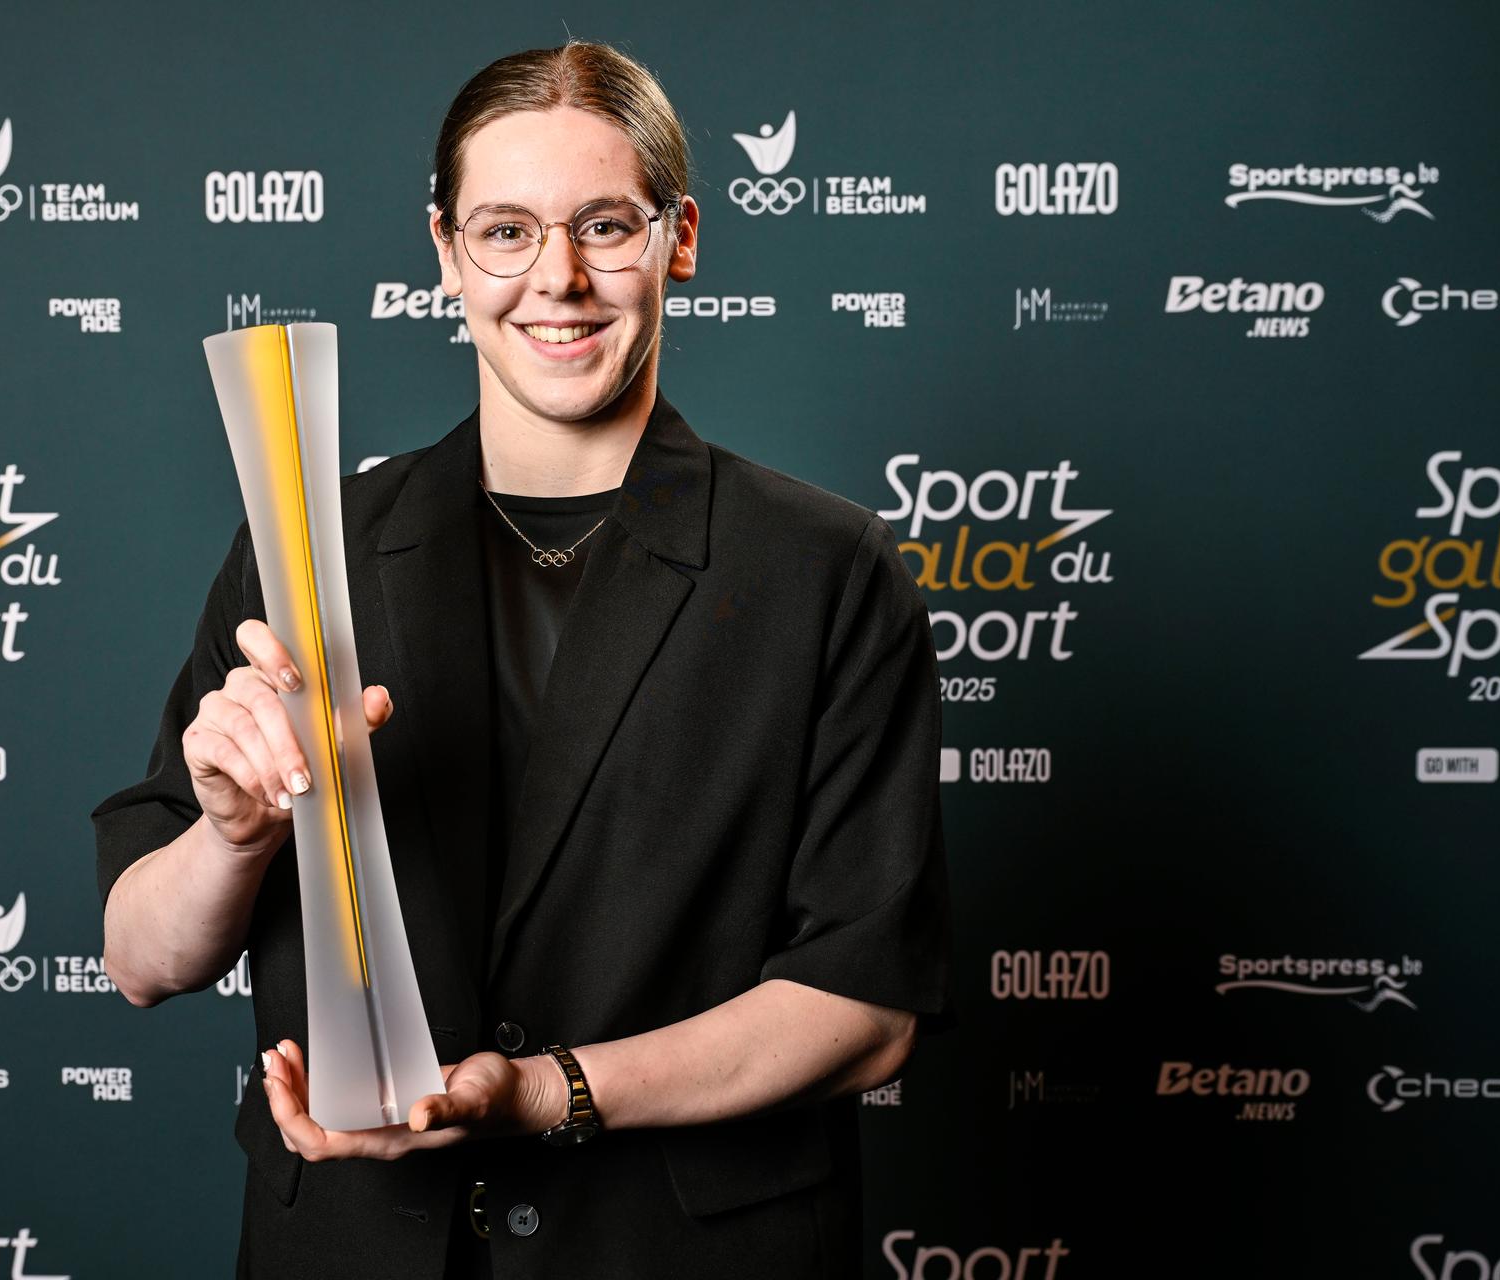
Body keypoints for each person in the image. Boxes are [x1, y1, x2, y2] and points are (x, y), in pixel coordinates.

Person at [91, 40, 950, 1280]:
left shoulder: (826, 569)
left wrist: (544, 1094)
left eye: (605, 224)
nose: (559, 278)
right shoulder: (307, 546)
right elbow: (140, 956)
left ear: (681, 237)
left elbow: (865, 1009)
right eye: (506, 231)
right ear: (445, 253)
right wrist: (231, 834)